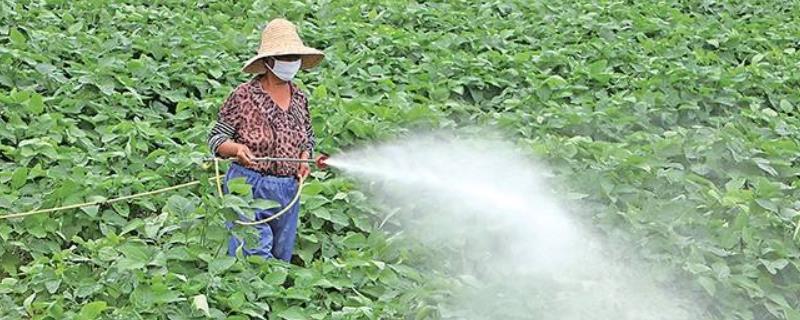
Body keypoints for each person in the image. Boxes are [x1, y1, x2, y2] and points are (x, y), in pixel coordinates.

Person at [207, 18, 324, 261]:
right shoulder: (244, 96)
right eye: (286, 58)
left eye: (295, 58)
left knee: (280, 258)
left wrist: (305, 159)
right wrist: (237, 149)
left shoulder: (300, 98)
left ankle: (274, 298)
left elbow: (308, 140)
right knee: (254, 255)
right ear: (269, 62)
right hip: (248, 185)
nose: (291, 64)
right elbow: (216, 139)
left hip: (288, 189)